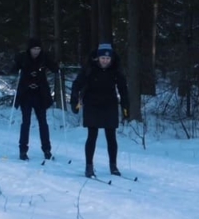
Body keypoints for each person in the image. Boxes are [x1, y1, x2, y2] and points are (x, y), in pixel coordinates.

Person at [70, 43, 130, 178]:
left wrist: (125, 106)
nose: (105, 61)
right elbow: (77, 84)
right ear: (98, 58)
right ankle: (89, 166)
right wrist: (74, 101)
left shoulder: (116, 69)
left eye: (108, 58)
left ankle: (113, 165)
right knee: (92, 135)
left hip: (110, 104)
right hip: (92, 104)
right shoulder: (89, 68)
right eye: (103, 58)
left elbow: (123, 89)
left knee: (111, 136)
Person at [15, 37, 58, 161]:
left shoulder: (44, 57)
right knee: (26, 122)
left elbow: (54, 68)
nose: (36, 51)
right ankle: (23, 150)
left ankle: (47, 149)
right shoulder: (23, 57)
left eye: (38, 48)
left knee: (43, 122)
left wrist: (58, 67)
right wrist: (16, 66)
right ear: (30, 49)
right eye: (34, 48)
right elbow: (13, 68)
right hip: (26, 94)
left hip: (40, 95)